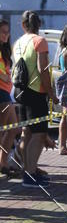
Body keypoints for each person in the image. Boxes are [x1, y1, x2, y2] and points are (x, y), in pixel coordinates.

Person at [12, 10, 54, 188]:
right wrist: (51, 93)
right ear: (40, 24)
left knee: (26, 133)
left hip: (19, 91)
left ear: (23, 25)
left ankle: (28, 171)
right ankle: (30, 175)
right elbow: (42, 69)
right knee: (39, 134)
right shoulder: (40, 41)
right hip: (35, 92)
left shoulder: (18, 43)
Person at [0, 18, 19, 178]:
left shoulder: (4, 49)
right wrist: (4, 76)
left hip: (7, 92)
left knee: (14, 128)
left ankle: (3, 162)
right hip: (1, 93)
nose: (6, 35)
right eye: (3, 32)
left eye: (8, 32)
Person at [56, 22, 67, 155]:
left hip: (63, 82)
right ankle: (63, 146)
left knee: (64, 115)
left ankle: (62, 145)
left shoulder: (61, 50)